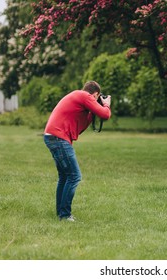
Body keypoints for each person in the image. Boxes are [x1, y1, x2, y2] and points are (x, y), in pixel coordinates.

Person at [43, 81, 111, 221]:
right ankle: (65, 215)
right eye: (97, 98)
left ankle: (61, 213)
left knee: (64, 176)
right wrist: (106, 104)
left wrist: (93, 110)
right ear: (95, 94)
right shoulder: (84, 96)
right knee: (74, 176)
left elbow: (79, 127)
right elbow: (105, 115)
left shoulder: (78, 97)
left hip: (52, 136)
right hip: (58, 138)